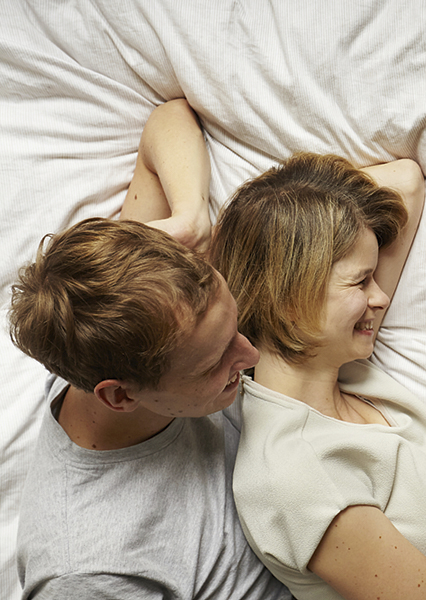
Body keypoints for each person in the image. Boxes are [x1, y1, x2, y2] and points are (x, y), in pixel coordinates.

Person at [208, 151, 426, 600]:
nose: (380, 297)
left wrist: (271, 218)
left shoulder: (336, 363)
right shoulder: (298, 477)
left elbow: (406, 181)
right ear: (292, 297)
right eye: (361, 282)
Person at [6, 100, 292, 599]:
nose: (250, 358)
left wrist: (188, 222)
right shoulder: (88, 572)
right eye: (214, 363)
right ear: (118, 396)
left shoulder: (108, 326)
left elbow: (169, 119)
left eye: (234, 331)